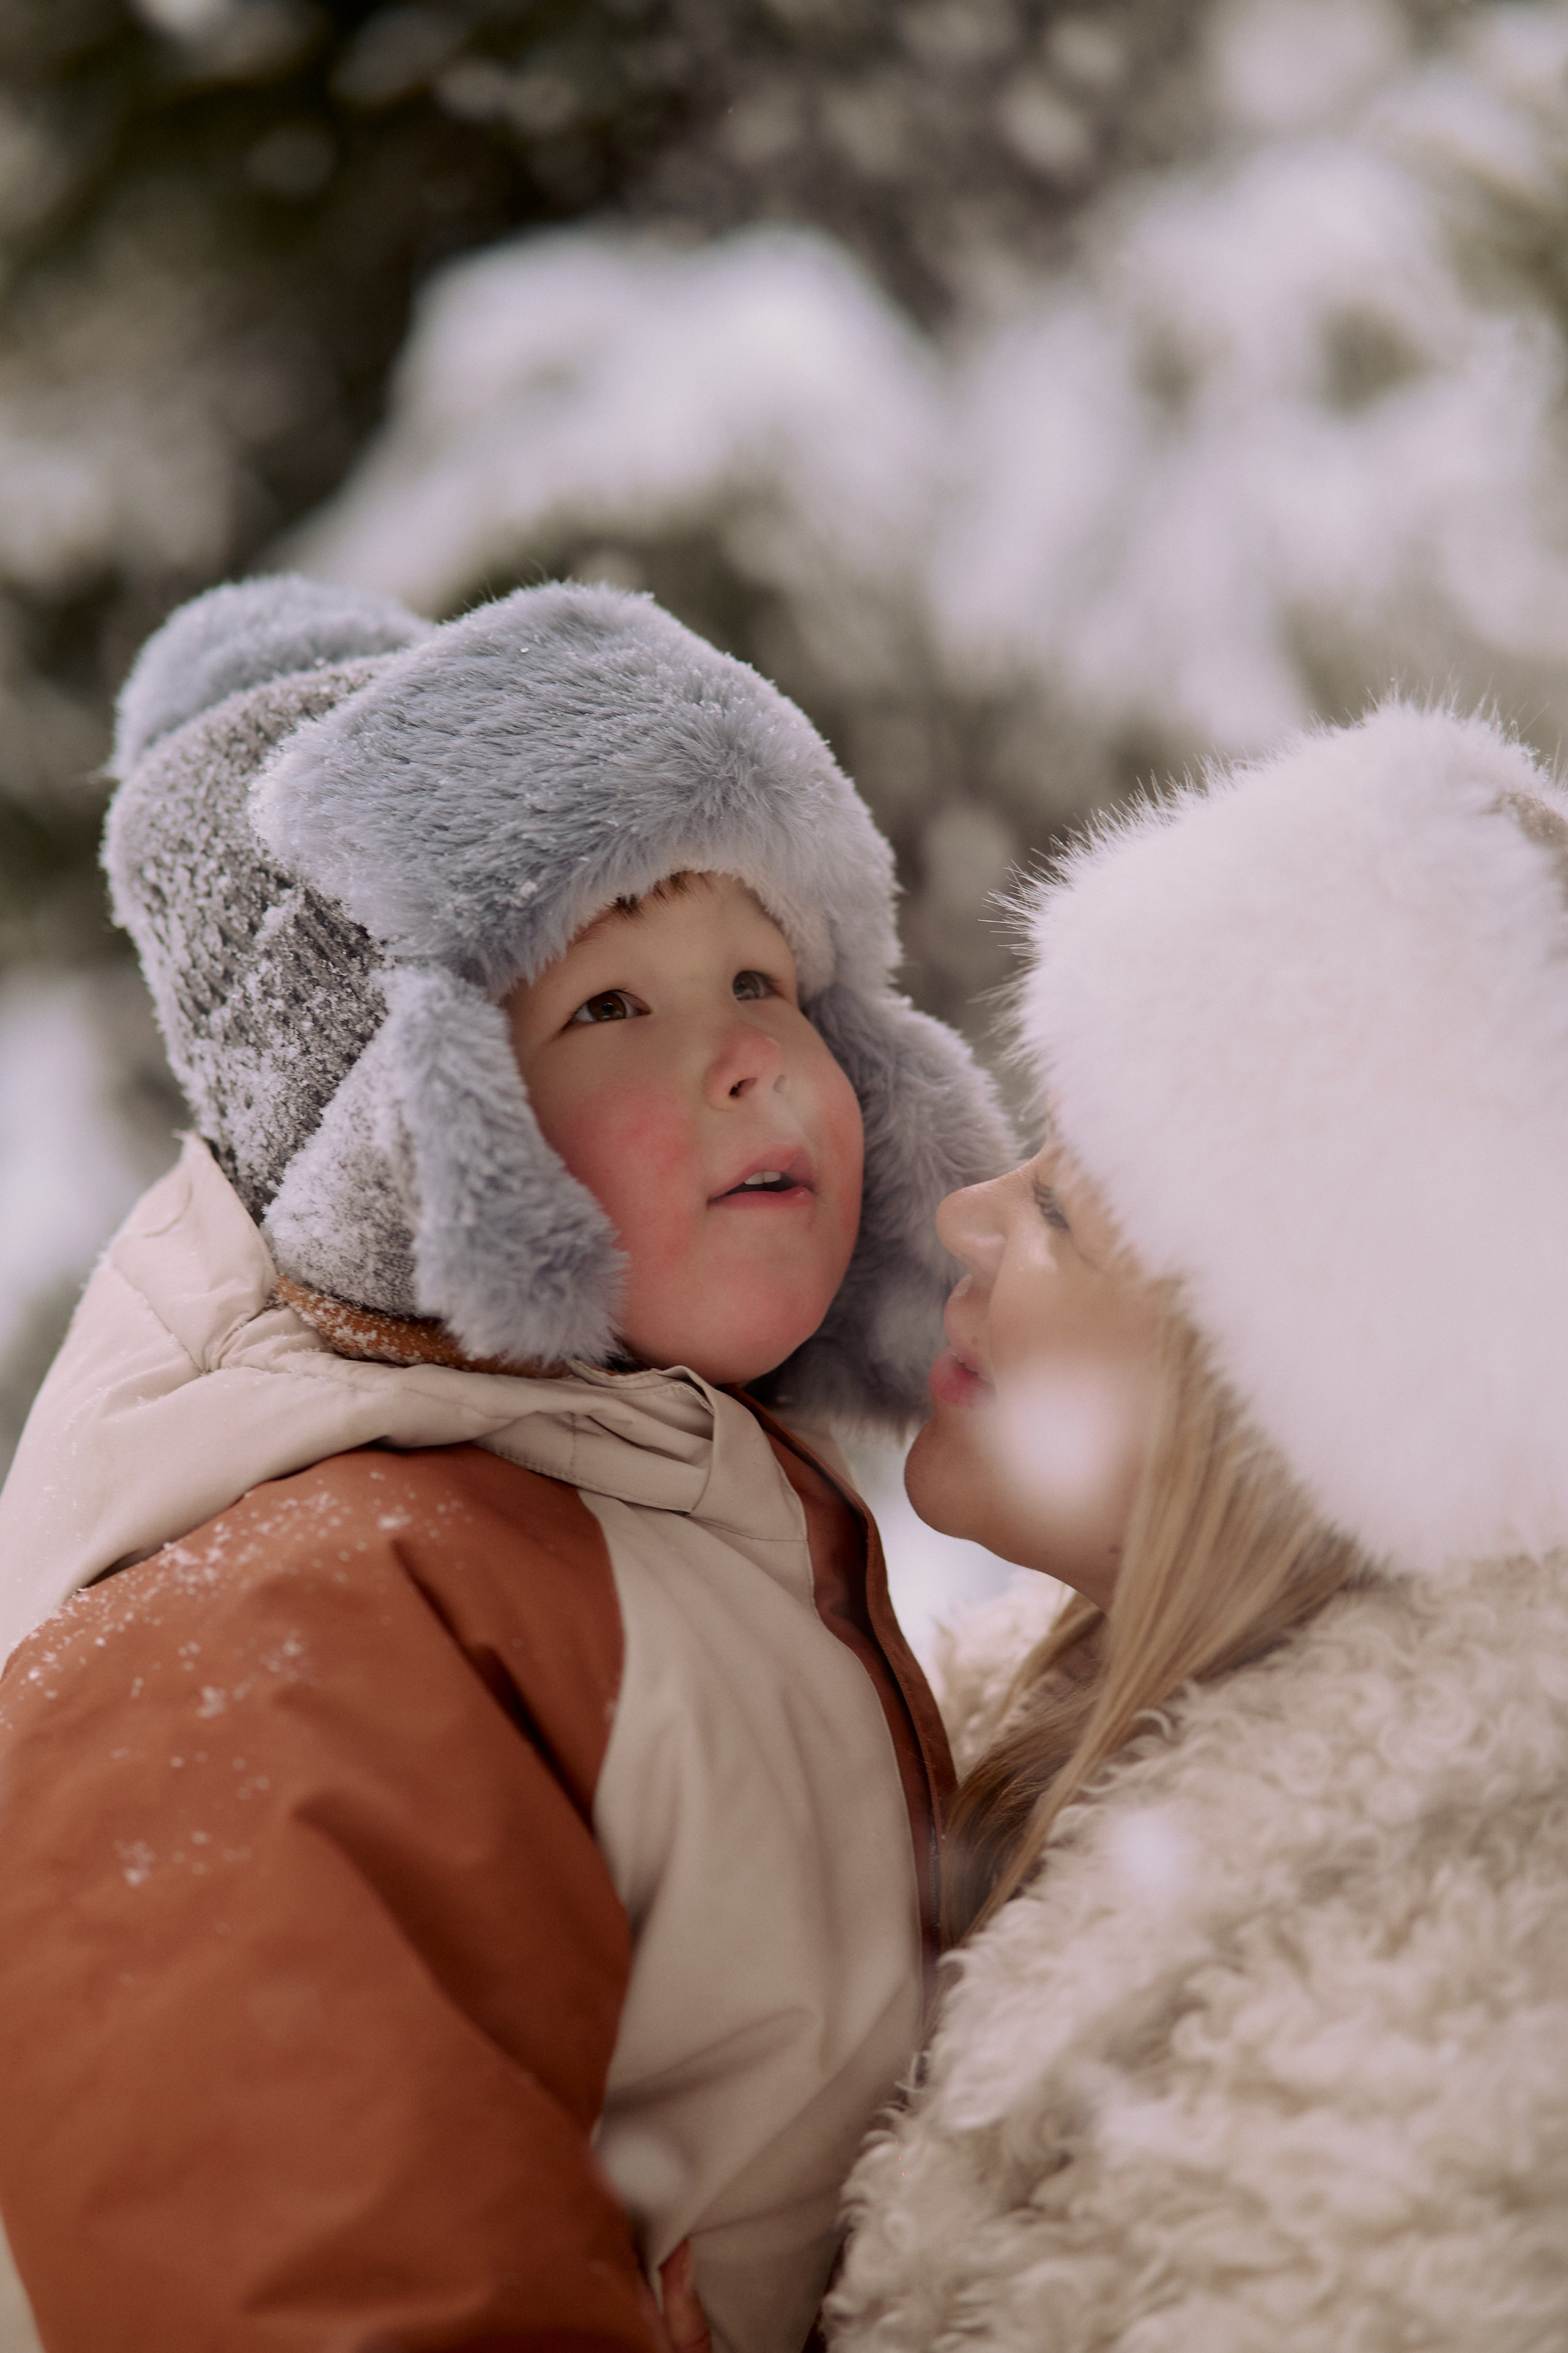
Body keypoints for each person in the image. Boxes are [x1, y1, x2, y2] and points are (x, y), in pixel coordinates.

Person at [0, 576, 1012, 2353]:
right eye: (609, 1003)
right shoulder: (291, 1621)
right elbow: (316, 2279)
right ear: (416, 1129)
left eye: (763, 975)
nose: (748, 1056)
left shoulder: (635, 1481)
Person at [829, 702, 1568, 2349]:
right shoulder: (1008, 1726)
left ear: (1272, 1412)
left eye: (1064, 1211)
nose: (968, 1214)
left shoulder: (1401, 2085)